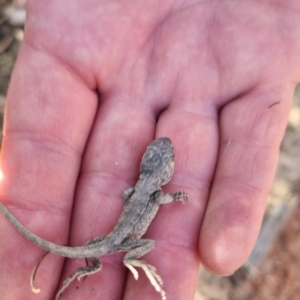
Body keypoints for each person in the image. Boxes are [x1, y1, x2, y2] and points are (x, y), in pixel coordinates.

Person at [0, 0, 299, 299]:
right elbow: (150, 197)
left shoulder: (143, 187)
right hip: (122, 241)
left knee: (93, 251)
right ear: (161, 169)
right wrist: (176, 197)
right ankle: (127, 263)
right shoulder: (155, 192)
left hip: (115, 237)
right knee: (149, 246)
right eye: (168, 159)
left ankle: (90, 267)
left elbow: (128, 195)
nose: (170, 157)